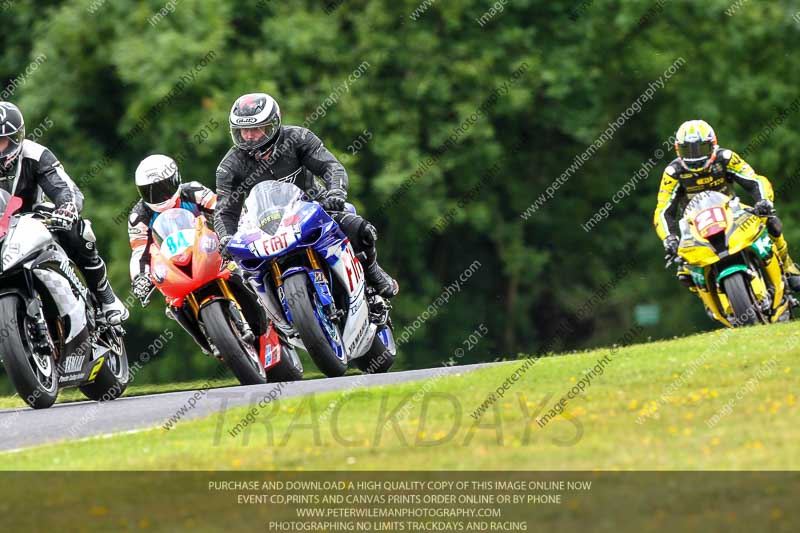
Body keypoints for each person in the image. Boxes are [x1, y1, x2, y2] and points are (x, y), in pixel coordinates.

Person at [213, 93, 398, 298]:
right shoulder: (228, 167)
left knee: (360, 229)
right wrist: (226, 238)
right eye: (243, 130)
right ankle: (272, 317)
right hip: (265, 227)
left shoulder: (298, 138)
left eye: (255, 129)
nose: (248, 136)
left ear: (273, 125)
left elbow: (331, 167)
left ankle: (373, 271)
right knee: (241, 270)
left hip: (314, 209)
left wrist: (335, 192)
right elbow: (225, 211)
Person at [0, 101, 128, 324]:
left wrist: (67, 208)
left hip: (32, 222)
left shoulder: (35, 155)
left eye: (0, 142)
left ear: (15, 139)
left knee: (78, 230)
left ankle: (105, 297)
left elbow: (63, 187)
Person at [654, 119, 800, 290]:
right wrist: (669, 238)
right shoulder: (673, 173)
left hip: (733, 212)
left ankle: (789, 267)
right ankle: (709, 300)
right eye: (688, 150)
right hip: (695, 226)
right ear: (678, 149)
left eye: (701, 148)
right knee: (684, 270)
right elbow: (663, 210)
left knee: (771, 222)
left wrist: (764, 201)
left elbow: (754, 180)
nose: (695, 157)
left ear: (713, 145)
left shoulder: (725, 157)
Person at [128, 154, 217, 304]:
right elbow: (139, 252)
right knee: (173, 304)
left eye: (164, 188)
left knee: (242, 271)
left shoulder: (194, 191)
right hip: (173, 271)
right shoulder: (138, 217)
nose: (159, 196)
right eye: (149, 192)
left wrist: (237, 228)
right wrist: (140, 277)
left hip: (209, 253)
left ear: (176, 180)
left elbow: (223, 211)